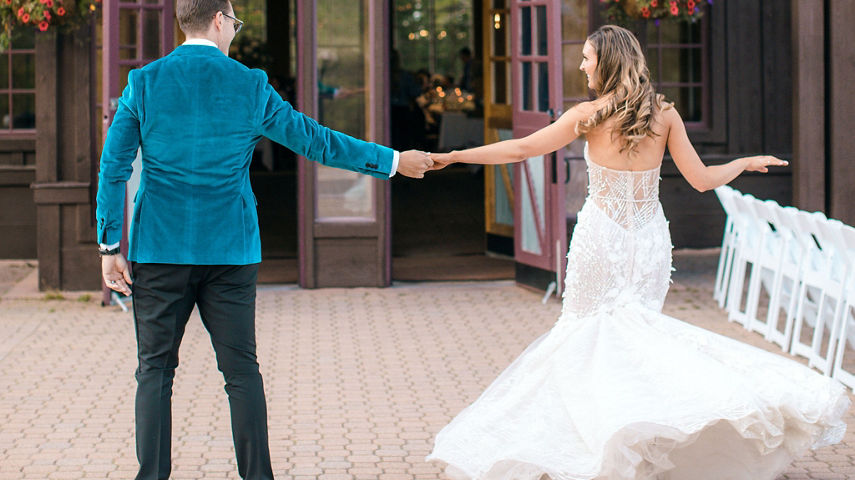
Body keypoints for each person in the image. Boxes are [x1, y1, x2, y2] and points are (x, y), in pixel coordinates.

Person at [425, 25, 848, 480]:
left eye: (588, 58)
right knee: (639, 340)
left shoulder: (588, 114)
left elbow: (523, 148)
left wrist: (456, 155)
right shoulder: (664, 115)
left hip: (601, 237)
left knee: (586, 340)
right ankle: (628, 450)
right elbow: (702, 180)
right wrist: (741, 164)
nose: (583, 65)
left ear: (607, 62)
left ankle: (601, 450)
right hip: (647, 240)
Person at [95, 1, 432, 479]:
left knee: (154, 371)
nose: (235, 31)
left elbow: (114, 169)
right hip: (230, 252)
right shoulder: (250, 85)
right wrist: (393, 160)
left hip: (159, 250)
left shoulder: (143, 83)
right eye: (235, 22)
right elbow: (314, 140)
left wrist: (110, 247)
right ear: (218, 20)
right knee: (241, 373)